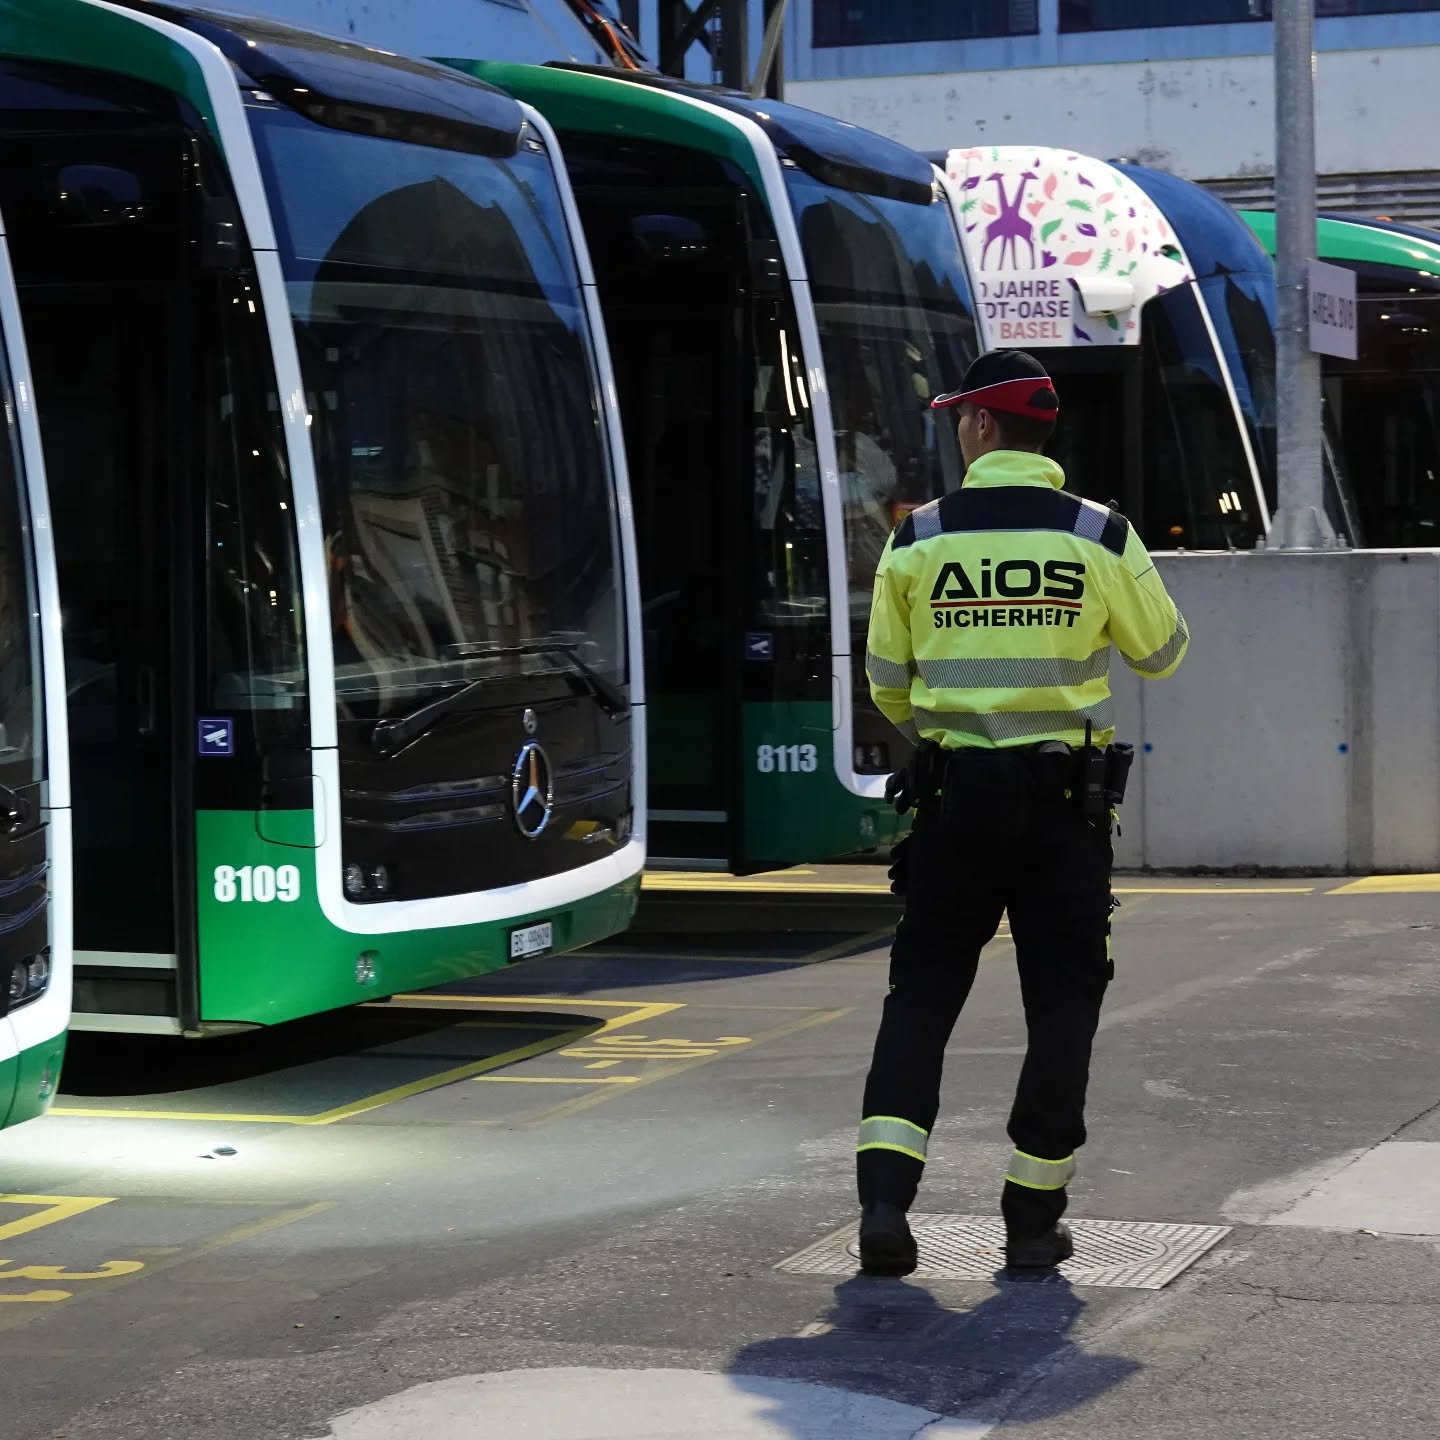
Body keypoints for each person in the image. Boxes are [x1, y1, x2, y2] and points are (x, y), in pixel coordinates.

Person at [856, 349, 1190, 1275]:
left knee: (921, 996)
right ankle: (1032, 1217)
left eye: (959, 416)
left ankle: (885, 1202)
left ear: (980, 426)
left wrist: (949, 727)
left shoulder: (918, 537)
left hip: (955, 801)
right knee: (1063, 1008)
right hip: (1064, 815)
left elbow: (886, 682)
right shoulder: (1101, 534)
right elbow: (1162, 651)